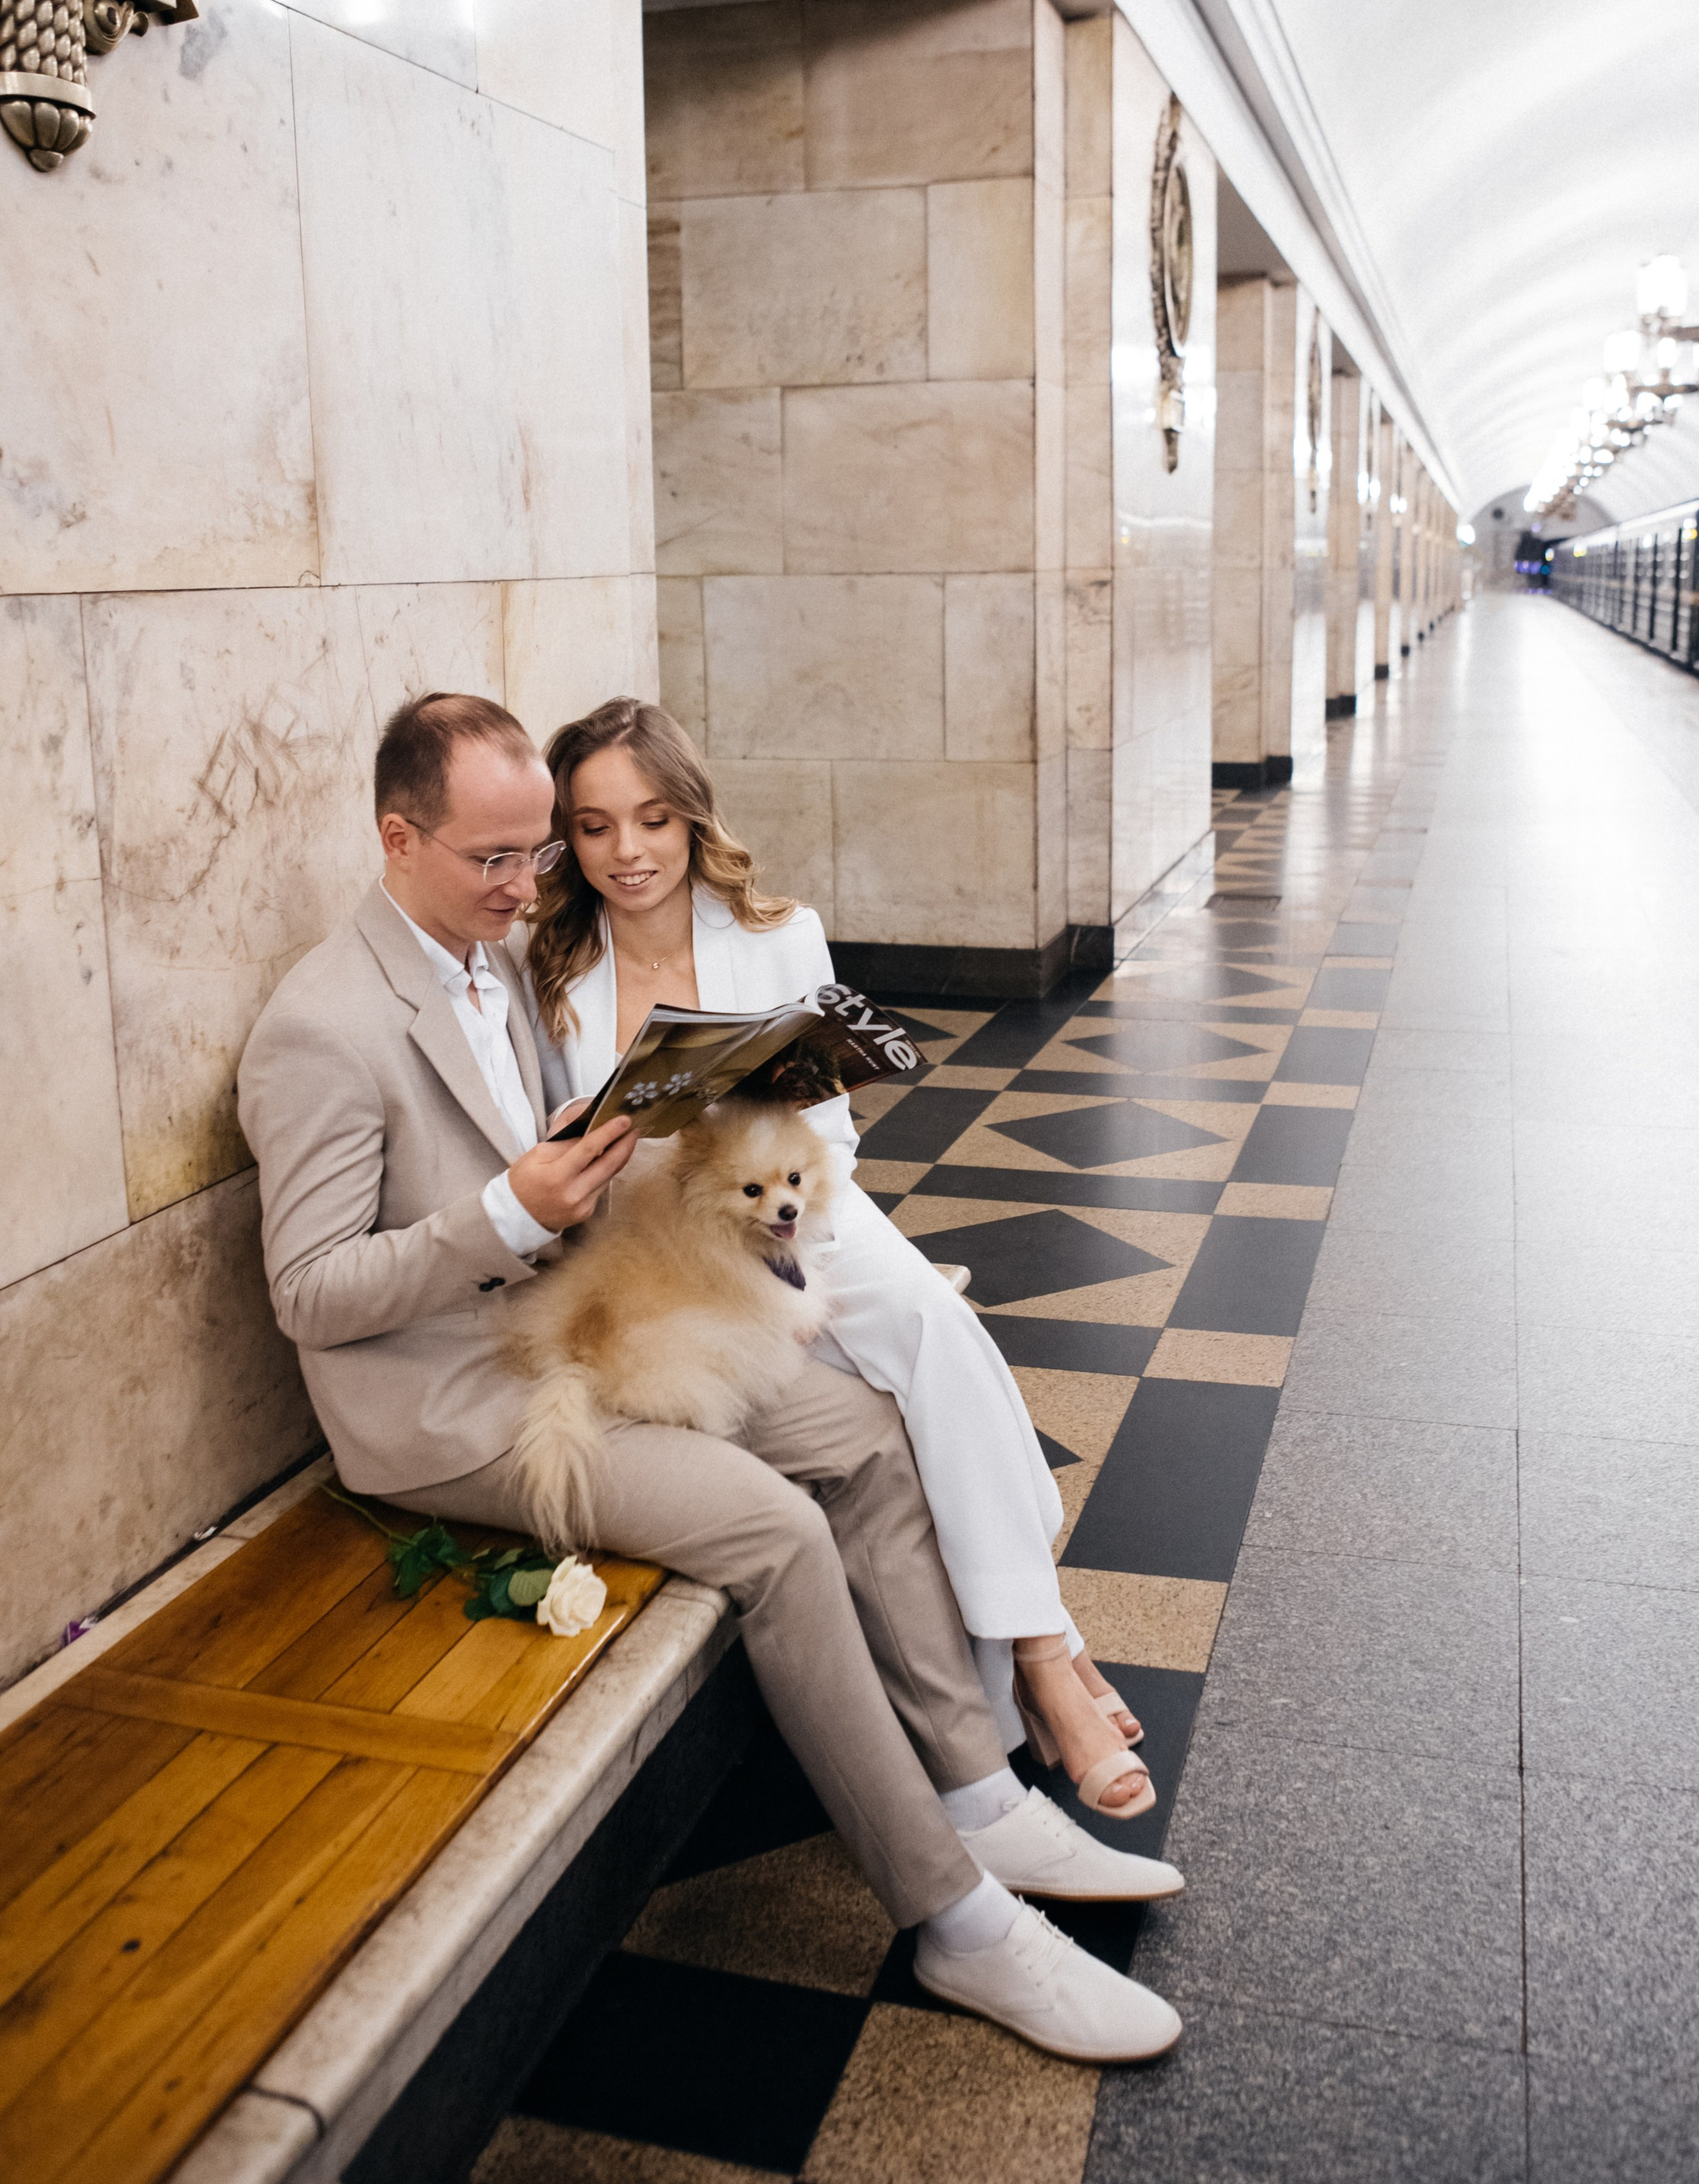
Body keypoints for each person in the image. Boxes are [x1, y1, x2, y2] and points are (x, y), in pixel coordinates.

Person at [237, 691, 1183, 2067]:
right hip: (451, 1404)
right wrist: (510, 1210)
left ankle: (976, 1789)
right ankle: (956, 1920)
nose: (528, 884)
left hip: (591, 1319)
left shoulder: (492, 953)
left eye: (533, 857)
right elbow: (309, 1296)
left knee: (863, 1427)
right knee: (777, 1528)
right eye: (498, 857)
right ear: (396, 839)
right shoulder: (322, 1024)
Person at [522, 697, 1153, 1819]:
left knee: (927, 1327)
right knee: (892, 1398)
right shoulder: (553, 968)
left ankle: (1046, 1658)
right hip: (659, 1247)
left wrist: (771, 1181)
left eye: (654, 820)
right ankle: (1046, 1673)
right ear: (565, 838)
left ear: (692, 815)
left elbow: (839, 1141)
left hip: (799, 1215)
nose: (628, 853)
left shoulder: (776, 933)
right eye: (595, 826)